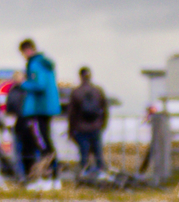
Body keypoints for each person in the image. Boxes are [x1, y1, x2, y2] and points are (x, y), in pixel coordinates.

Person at [14, 37, 61, 179]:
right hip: (47, 108)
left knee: (41, 142)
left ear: (27, 50)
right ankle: (52, 173)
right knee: (46, 141)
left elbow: (39, 85)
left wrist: (22, 82)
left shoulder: (35, 64)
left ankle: (50, 173)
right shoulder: (45, 64)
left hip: (39, 108)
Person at [66, 65, 109, 178]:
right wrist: (102, 124)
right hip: (95, 126)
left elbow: (72, 114)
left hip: (81, 128)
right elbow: (105, 109)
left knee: (84, 154)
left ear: (80, 76)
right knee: (98, 153)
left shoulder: (76, 92)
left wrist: (71, 130)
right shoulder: (98, 91)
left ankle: (85, 174)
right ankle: (101, 173)